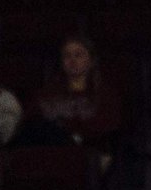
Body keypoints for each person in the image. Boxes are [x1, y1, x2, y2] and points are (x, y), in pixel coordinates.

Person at [30, 34, 127, 164]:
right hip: (49, 152)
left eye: (78, 55)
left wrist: (70, 129)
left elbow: (108, 127)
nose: (72, 60)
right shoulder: (47, 92)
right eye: (67, 56)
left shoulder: (105, 94)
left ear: (91, 61)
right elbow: (32, 120)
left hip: (89, 152)